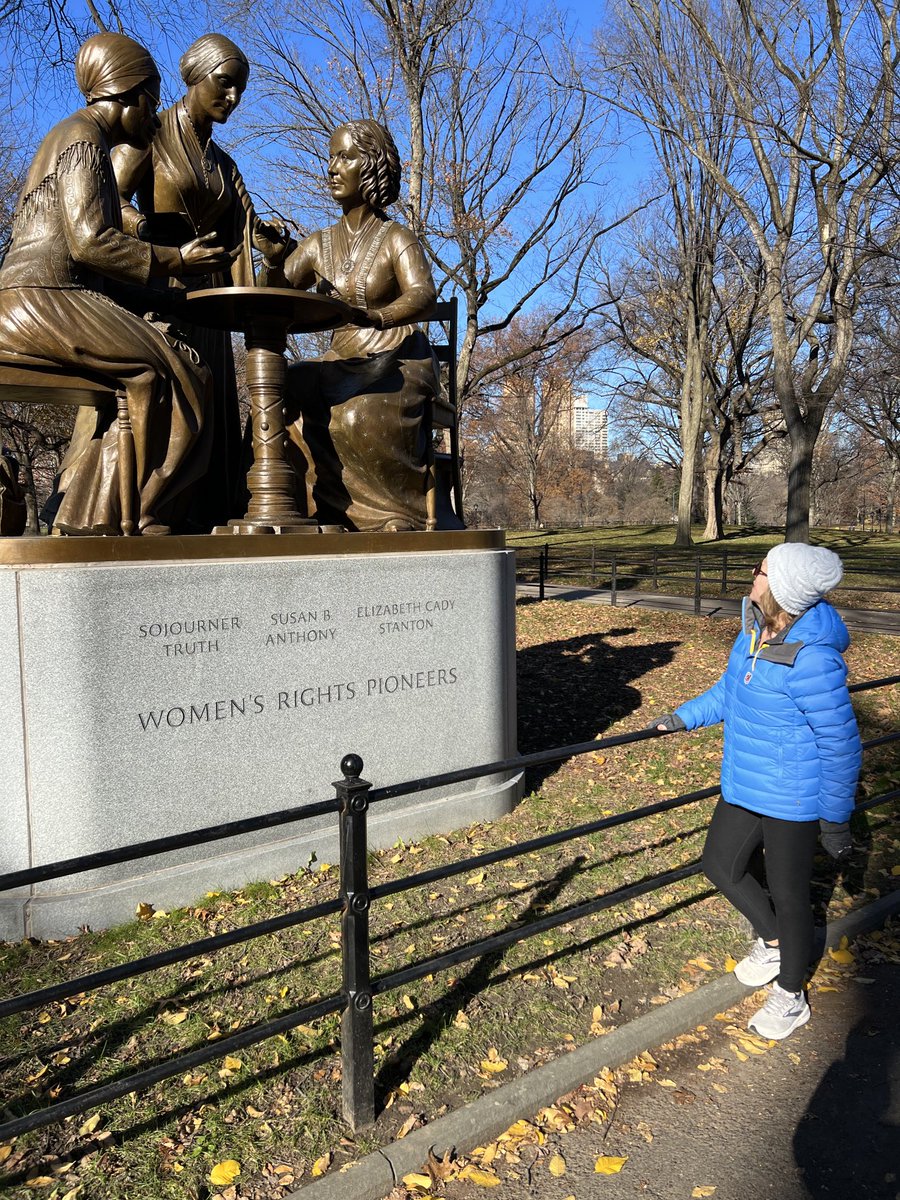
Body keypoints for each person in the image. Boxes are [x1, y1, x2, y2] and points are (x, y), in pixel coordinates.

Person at [0, 32, 233, 535]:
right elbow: (89, 243)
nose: (153, 117)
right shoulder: (84, 141)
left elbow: (90, 254)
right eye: (149, 103)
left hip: (41, 295)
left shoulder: (75, 136)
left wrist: (163, 293)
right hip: (43, 299)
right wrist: (174, 257)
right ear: (125, 95)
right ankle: (133, 513)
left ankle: (101, 511)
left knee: (172, 364)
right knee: (180, 370)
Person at [651, 544, 861, 1039]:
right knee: (719, 866)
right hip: (745, 782)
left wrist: (834, 818)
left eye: (761, 570)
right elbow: (730, 690)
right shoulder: (753, 631)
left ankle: (791, 994)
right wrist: (683, 716)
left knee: (790, 896)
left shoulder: (813, 659)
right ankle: (771, 942)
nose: (753, 575)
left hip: (792, 795)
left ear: (781, 587)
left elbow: (841, 743)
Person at [113, 33, 292, 530]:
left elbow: (246, 228)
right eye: (225, 84)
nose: (233, 98)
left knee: (212, 408)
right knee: (176, 401)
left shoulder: (225, 165)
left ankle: (203, 518)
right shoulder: (147, 133)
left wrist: (269, 244)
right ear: (194, 75)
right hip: (163, 290)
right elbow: (112, 202)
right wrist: (151, 233)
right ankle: (149, 509)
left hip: (210, 298)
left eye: (240, 90)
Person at [274, 119, 449, 532]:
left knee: (355, 414)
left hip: (396, 355)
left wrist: (379, 316)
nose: (332, 168)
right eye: (331, 157)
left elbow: (423, 293)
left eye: (345, 157)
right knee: (281, 390)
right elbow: (278, 291)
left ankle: (393, 513)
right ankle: (297, 508)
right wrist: (270, 259)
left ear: (370, 168)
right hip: (341, 356)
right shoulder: (317, 243)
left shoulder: (395, 237)